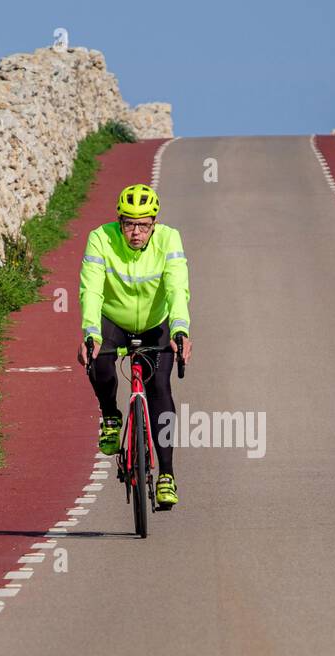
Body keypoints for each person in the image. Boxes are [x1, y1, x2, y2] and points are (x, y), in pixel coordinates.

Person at [77, 183, 191, 508]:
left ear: (155, 222)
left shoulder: (170, 239)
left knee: (160, 390)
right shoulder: (100, 238)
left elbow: (177, 289)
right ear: (119, 221)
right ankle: (111, 417)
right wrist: (91, 333)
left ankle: (167, 474)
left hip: (157, 323)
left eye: (143, 224)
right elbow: (91, 291)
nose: (136, 232)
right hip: (113, 320)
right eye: (129, 223)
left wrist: (180, 329)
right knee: (98, 361)